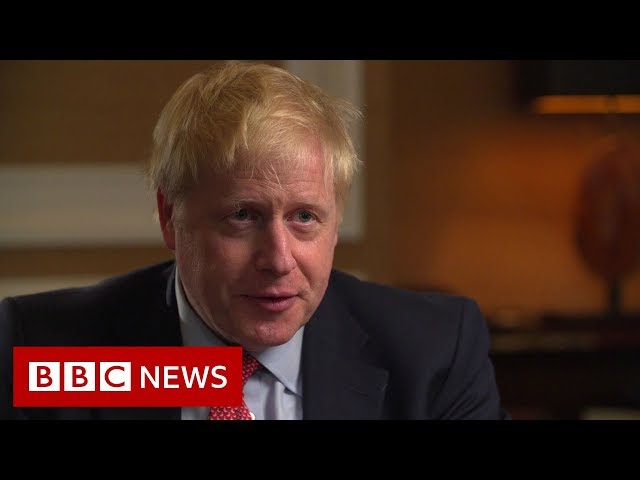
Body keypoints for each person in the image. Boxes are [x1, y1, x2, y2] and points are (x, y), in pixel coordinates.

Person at [0, 60, 509, 420]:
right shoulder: (46, 353)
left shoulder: (433, 354)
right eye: (242, 216)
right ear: (170, 217)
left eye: (305, 217)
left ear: (336, 223)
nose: (279, 260)